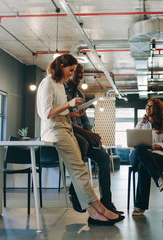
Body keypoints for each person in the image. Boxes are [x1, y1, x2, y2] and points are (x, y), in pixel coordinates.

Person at [36, 54, 124, 225]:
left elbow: (60, 111)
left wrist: (73, 112)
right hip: (55, 129)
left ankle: (93, 212)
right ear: (61, 65)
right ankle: (100, 208)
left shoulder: (59, 84)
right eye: (70, 70)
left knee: (79, 169)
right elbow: (45, 113)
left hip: (65, 125)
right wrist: (69, 105)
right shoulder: (47, 82)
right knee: (79, 169)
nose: (71, 74)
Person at [64, 64, 123, 215]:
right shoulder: (61, 91)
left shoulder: (80, 94)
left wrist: (93, 135)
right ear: (69, 72)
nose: (80, 76)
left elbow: (85, 121)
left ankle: (107, 203)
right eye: (77, 73)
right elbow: (64, 120)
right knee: (83, 143)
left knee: (104, 157)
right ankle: (74, 192)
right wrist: (87, 134)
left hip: (81, 133)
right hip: (68, 132)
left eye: (82, 73)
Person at [130, 98, 163, 216]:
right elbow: (133, 141)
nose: (147, 108)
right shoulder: (142, 123)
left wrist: (157, 146)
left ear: (157, 109)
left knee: (144, 167)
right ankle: (159, 178)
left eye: (151, 106)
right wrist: (141, 124)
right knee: (140, 150)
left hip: (157, 156)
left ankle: (139, 206)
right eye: (146, 106)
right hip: (138, 156)